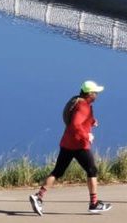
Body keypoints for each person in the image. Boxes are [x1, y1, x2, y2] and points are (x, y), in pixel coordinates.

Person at [28, 80, 112, 215]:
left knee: (57, 171)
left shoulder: (78, 101)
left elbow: (81, 119)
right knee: (92, 170)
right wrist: (87, 136)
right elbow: (75, 125)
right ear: (89, 93)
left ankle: (38, 196)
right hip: (79, 145)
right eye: (95, 92)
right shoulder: (83, 106)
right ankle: (94, 204)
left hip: (67, 143)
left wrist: (92, 121)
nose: (97, 94)